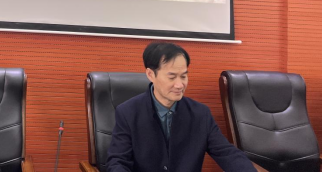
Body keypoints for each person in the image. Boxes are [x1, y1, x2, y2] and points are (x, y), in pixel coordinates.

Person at [107, 43, 257, 172]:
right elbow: (117, 162)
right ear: (151, 74)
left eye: (184, 76)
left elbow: (227, 153)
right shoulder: (128, 113)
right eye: (172, 77)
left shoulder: (200, 114)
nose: (179, 85)